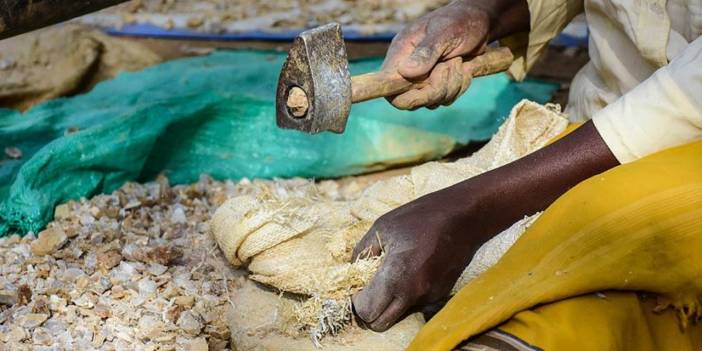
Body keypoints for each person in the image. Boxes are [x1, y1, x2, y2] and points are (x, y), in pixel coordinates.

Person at [351, 0, 702, 349]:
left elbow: (687, 94)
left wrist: (472, 210)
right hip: (587, 129)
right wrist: (487, 13)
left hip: (678, 153)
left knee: (597, 234)